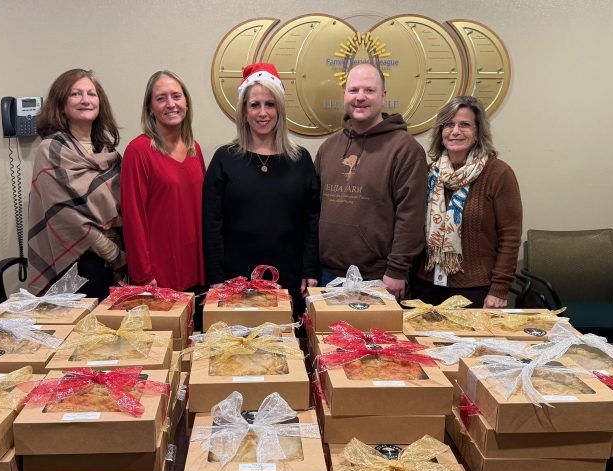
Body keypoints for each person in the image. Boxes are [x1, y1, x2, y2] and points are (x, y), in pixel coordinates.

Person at [202, 62, 320, 320]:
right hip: (234, 278)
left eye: (270, 104)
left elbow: (312, 220)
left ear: (280, 109)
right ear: (244, 111)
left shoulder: (301, 160)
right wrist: (215, 278)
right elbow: (211, 223)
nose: (262, 112)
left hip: (288, 276)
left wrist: (309, 269)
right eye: (255, 105)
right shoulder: (224, 159)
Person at [315, 63, 428, 301]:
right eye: (353, 90)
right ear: (344, 94)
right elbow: (314, 207)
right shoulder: (329, 147)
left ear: (383, 96)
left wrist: (397, 269)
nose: (360, 98)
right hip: (327, 274)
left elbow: (411, 215)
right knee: (325, 339)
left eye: (369, 90)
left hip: (379, 278)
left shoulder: (405, 149)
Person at [410, 96, 522, 308]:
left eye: (465, 125)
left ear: (478, 132)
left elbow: (510, 236)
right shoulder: (429, 173)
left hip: (476, 291)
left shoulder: (498, 174)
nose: (455, 131)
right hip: (425, 287)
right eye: (449, 125)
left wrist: (499, 289)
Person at [28, 69, 124, 300]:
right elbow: (65, 216)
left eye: (91, 94)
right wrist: (113, 254)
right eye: (76, 94)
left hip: (114, 262)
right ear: (61, 104)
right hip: (77, 261)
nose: (85, 100)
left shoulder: (109, 153)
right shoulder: (51, 150)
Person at [121, 70, 205, 294]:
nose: (171, 104)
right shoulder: (138, 151)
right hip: (159, 276)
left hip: (197, 269)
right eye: (161, 98)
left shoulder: (193, 148)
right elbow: (133, 218)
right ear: (150, 108)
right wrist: (143, 276)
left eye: (176, 96)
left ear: (186, 102)